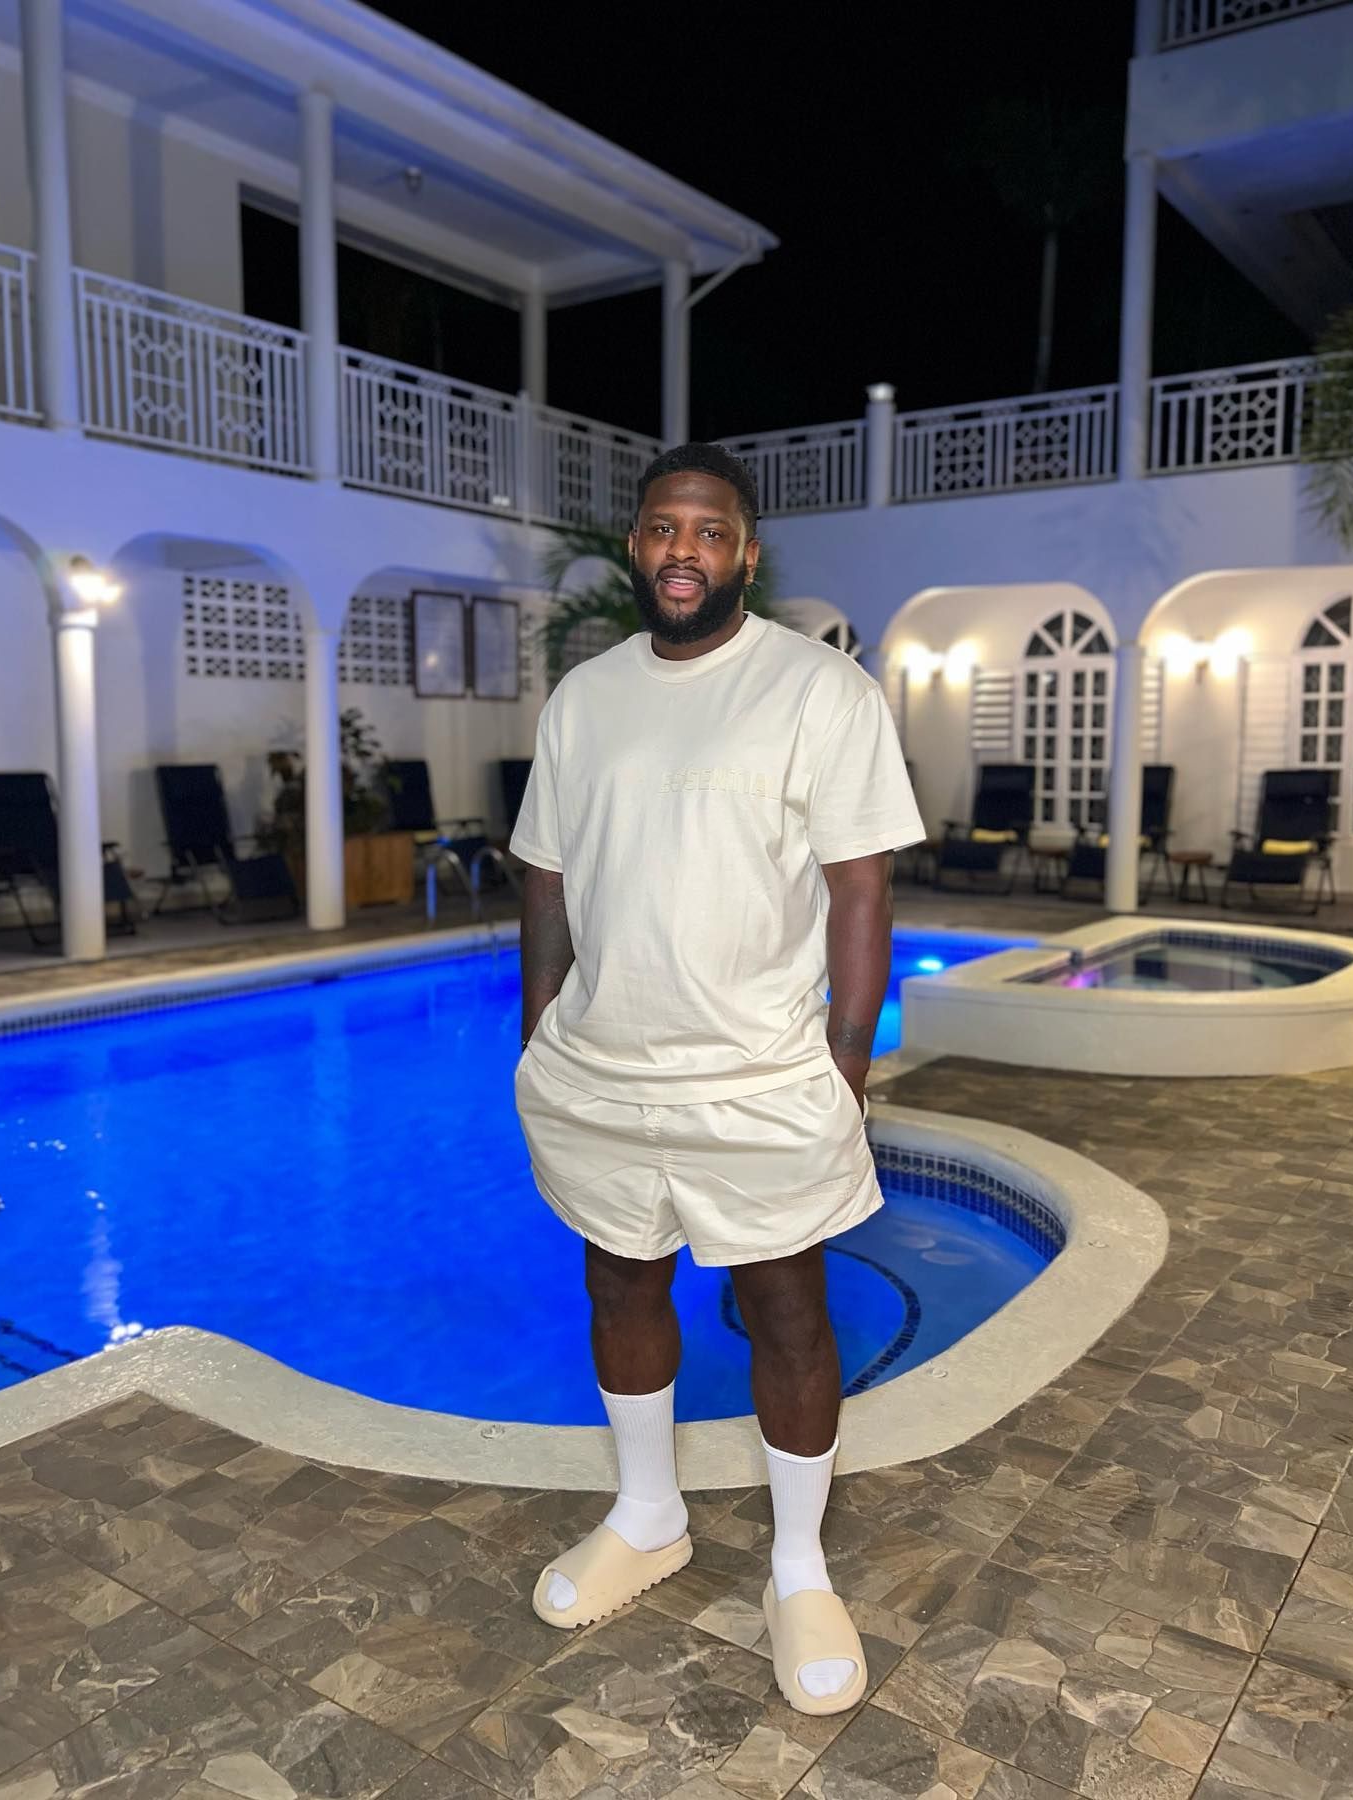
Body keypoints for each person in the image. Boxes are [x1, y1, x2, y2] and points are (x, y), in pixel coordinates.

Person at [511, 442, 924, 1716]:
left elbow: (861, 889)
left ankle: (799, 1568)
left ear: (745, 553)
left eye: (707, 530)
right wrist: (540, 1032)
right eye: (661, 527)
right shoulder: (584, 699)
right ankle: (648, 1515)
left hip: (760, 1073)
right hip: (601, 1068)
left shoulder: (820, 691)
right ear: (636, 547)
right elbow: (547, 877)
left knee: (787, 1310)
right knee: (618, 1282)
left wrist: (845, 1062)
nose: (681, 549)